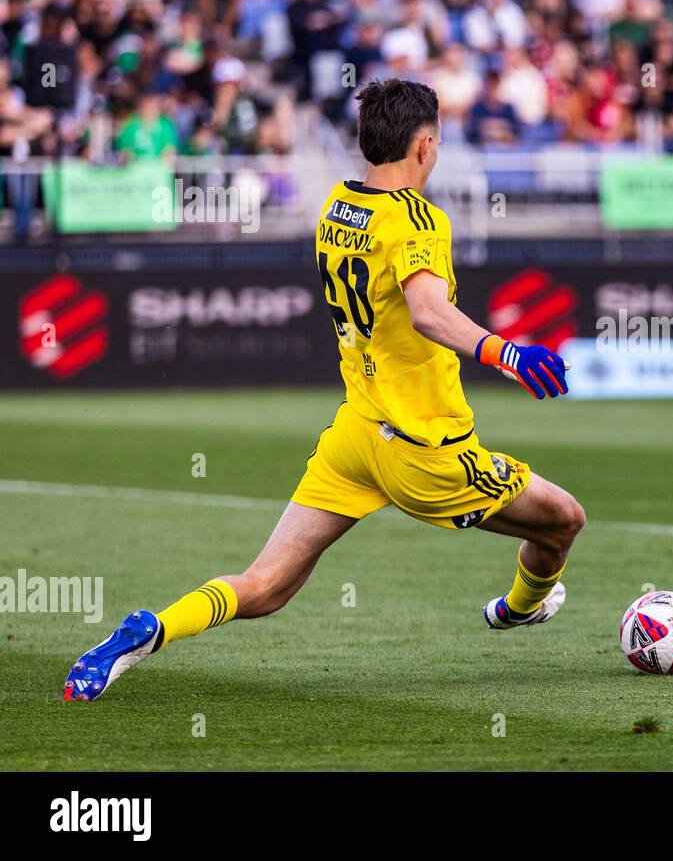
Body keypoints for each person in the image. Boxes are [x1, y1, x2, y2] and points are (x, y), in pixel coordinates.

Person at [63, 79, 585, 702]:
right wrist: (507, 352)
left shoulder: (339, 205)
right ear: (423, 146)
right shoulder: (421, 219)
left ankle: (153, 628)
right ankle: (517, 610)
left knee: (267, 585)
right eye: (437, 142)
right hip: (424, 448)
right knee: (562, 521)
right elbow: (426, 311)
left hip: (356, 434)